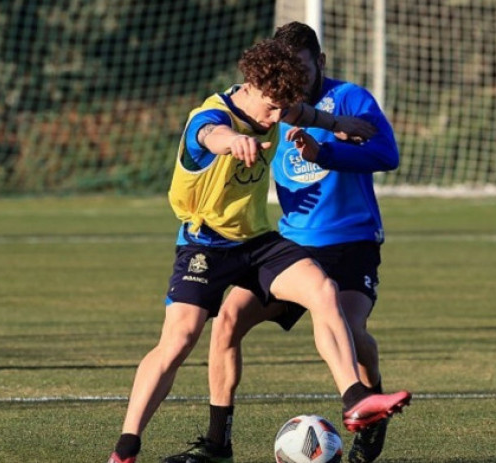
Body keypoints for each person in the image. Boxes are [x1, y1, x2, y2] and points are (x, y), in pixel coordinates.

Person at [106, 37, 411, 463]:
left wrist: (340, 124)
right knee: (179, 340)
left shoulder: (280, 107)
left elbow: (306, 113)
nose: (275, 121)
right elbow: (210, 134)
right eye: (270, 109)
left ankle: (357, 398)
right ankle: (126, 449)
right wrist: (233, 142)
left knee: (322, 290)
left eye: (281, 111)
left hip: (257, 240)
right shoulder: (208, 118)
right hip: (205, 244)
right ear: (249, 84)